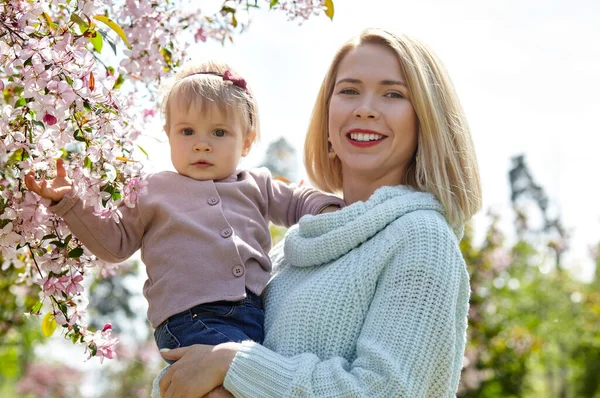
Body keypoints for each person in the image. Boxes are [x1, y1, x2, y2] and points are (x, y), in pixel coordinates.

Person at [154, 28, 482, 398]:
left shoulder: (422, 238)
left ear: (425, 119)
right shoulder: (287, 254)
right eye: (349, 90)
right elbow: (186, 372)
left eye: (393, 93)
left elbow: (387, 390)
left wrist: (233, 364)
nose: (364, 108)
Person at [24, 60, 345, 365]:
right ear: (168, 134)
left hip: (253, 316)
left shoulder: (257, 183)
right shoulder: (153, 189)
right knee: (238, 380)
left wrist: (332, 210)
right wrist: (69, 203)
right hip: (189, 317)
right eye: (187, 131)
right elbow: (115, 243)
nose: (201, 144)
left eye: (219, 133)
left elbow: (299, 201)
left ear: (245, 143)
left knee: (253, 378)